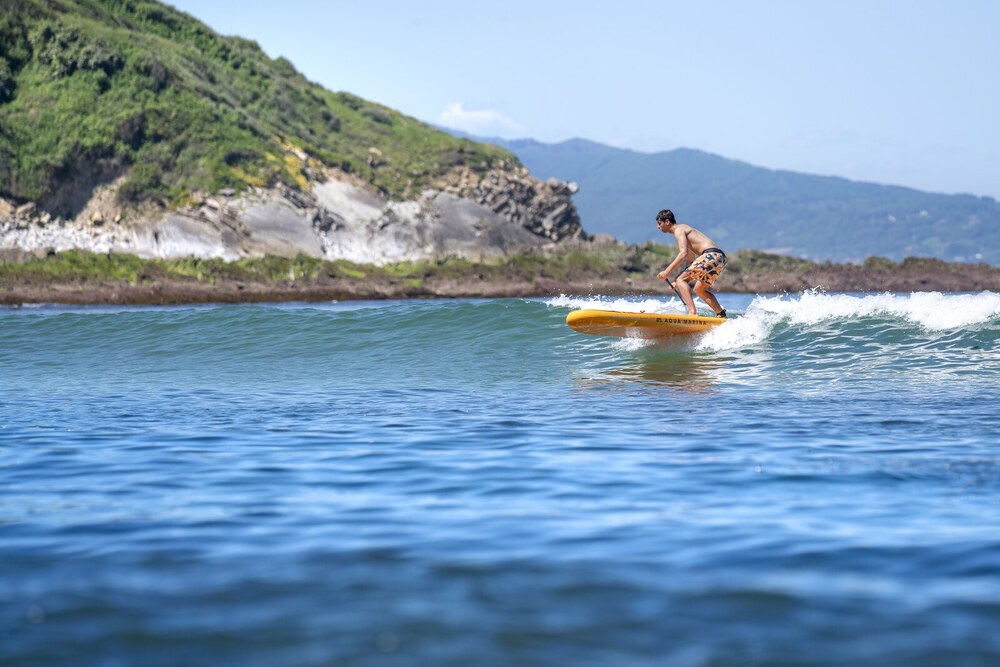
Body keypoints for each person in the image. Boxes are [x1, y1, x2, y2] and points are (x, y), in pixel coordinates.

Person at [654, 209, 727, 318]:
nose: (658, 227)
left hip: (710, 255)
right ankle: (721, 314)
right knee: (699, 290)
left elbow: (683, 253)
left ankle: (692, 313)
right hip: (720, 258)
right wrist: (678, 281)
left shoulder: (679, 229)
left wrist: (667, 272)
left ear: (667, 222)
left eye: (659, 223)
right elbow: (690, 261)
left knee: (681, 280)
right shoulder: (684, 232)